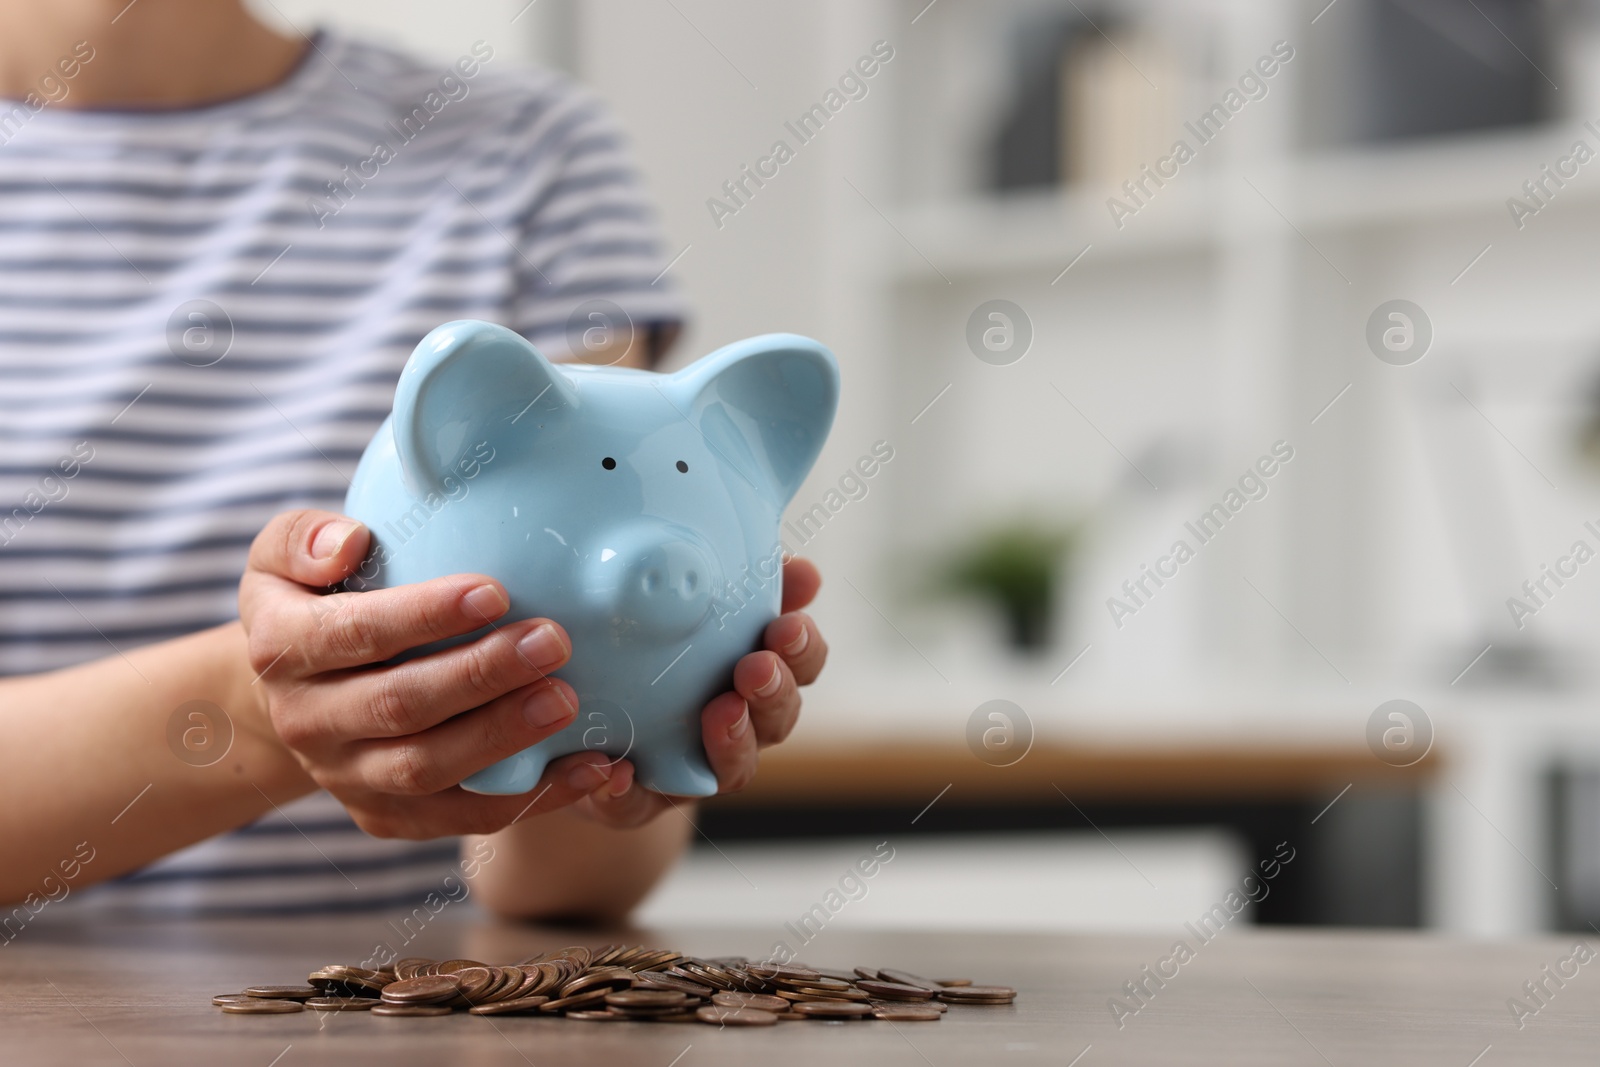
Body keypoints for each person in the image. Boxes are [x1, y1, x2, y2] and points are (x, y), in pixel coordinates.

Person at [0, 0, 826, 922]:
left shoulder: (528, 150)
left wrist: (624, 725)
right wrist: (266, 705)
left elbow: (565, 878)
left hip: (411, 1013)